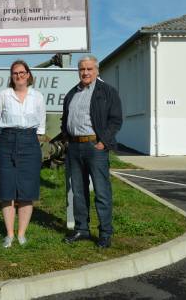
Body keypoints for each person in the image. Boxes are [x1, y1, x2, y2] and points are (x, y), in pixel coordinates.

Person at [61, 54, 122, 248]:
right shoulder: (72, 93)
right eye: (82, 69)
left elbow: (115, 120)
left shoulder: (107, 91)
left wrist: (103, 142)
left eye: (89, 69)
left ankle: (105, 232)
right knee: (78, 192)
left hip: (95, 147)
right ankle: (82, 229)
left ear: (97, 70)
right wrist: (67, 141)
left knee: (102, 191)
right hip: (74, 147)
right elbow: (65, 119)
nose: (85, 72)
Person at [0, 60, 46, 248]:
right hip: (7, 141)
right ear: (11, 76)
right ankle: (9, 234)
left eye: (22, 72)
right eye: (15, 73)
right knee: (7, 191)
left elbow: (40, 125)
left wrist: (29, 142)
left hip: (30, 142)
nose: (19, 76)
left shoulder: (37, 96)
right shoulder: (3, 96)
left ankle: (22, 234)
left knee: (27, 191)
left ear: (28, 74)